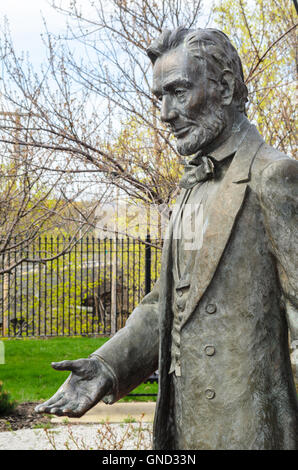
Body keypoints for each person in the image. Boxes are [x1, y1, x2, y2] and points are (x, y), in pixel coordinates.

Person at [36, 28, 298, 450]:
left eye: (177, 92)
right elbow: (166, 303)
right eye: (159, 97)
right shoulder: (190, 187)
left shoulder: (274, 175)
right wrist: (107, 367)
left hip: (250, 431)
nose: (165, 112)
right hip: (182, 431)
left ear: (226, 87)